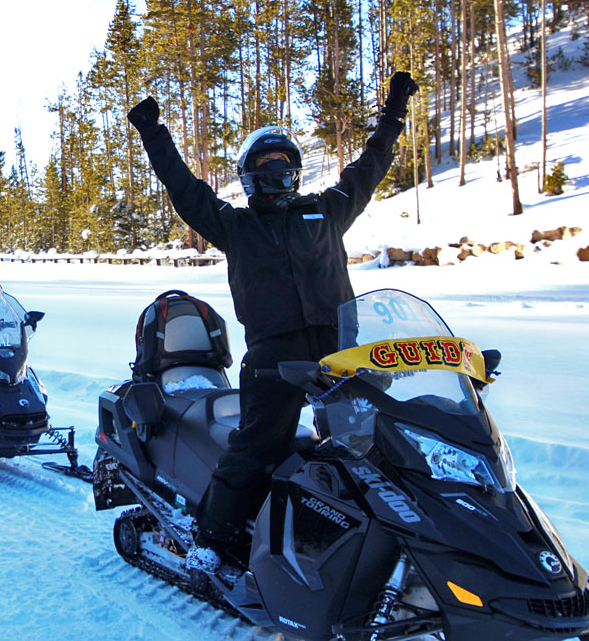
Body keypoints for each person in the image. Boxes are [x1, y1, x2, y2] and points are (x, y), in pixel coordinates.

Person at [126, 71, 418, 574]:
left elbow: (370, 166)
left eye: (284, 161)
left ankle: (387, 538)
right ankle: (210, 541)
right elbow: (186, 190)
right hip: (273, 360)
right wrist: (155, 134)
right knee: (256, 449)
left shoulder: (327, 211)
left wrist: (393, 113)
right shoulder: (236, 226)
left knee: (371, 447)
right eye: (266, 163)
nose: (277, 169)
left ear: (297, 170)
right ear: (249, 174)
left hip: (339, 353)